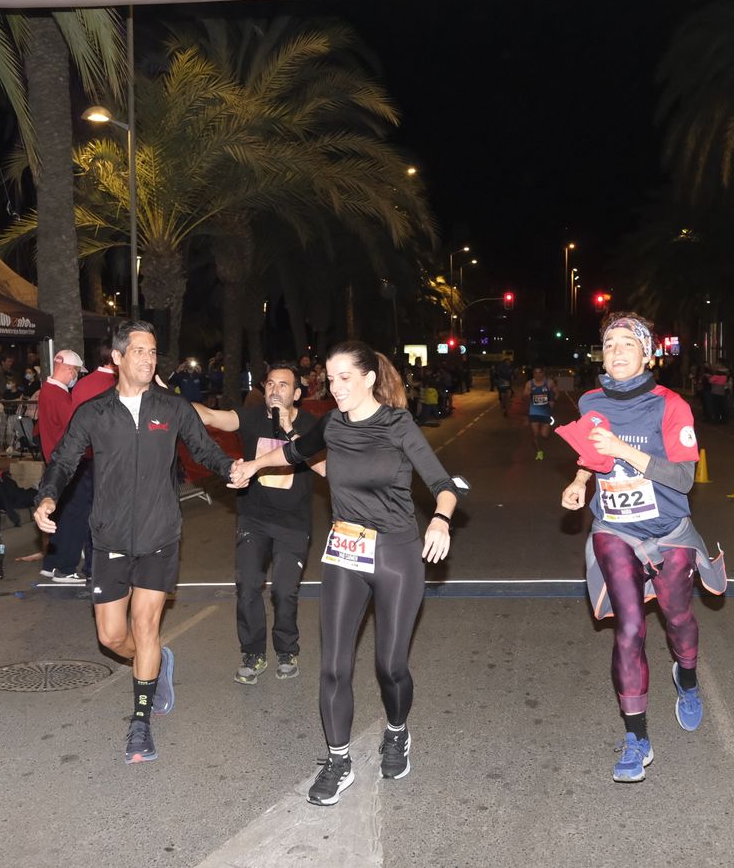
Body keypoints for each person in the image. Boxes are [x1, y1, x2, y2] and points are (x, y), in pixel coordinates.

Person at [230, 341, 465, 807]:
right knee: (334, 666)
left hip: (396, 552)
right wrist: (254, 465)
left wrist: (440, 519)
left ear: (369, 379)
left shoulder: (399, 424)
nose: (334, 387)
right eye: (330, 378)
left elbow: (443, 484)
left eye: (344, 378)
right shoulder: (333, 424)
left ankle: (397, 731)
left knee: (390, 665)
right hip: (345, 552)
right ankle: (338, 760)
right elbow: (294, 452)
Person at [35, 321, 242, 765]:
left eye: (152, 352)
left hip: (159, 534)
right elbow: (64, 460)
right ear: (117, 358)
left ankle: (140, 722)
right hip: (109, 536)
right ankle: (157, 660)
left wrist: (231, 469)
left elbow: (204, 449)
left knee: (145, 626)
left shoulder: (171, 407)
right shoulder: (93, 412)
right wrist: (47, 497)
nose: (149, 359)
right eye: (140, 352)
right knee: (112, 636)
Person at [559, 312, 724, 784]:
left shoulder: (671, 405)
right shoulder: (591, 400)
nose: (616, 352)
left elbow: (684, 478)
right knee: (629, 628)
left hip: (669, 532)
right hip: (615, 530)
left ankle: (686, 679)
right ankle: (637, 739)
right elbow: (592, 455)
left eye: (627, 344)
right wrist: (579, 481)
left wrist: (624, 450)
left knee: (677, 617)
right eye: (609, 344)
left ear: (648, 355)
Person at [192, 363, 320, 685]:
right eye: (271, 384)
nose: (275, 390)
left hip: (293, 523)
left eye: (283, 385)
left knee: (284, 591)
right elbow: (210, 416)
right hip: (255, 518)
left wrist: (290, 429)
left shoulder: (310, 425)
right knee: (248, 584)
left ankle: (287, 650)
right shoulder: (251, 417)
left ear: (297, 394)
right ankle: (253, 653)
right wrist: (168, 400)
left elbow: (324, 465)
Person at [35, 350, 86, 582]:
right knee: (74, 516)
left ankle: (51, 563)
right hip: (66, 463)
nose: (76, 377)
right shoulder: (59, 395)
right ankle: (66, 568)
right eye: (76, 372)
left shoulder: (46, 390)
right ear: (68, 369)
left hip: (53, 462)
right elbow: (76, 429)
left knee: (60, 514)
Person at [526, 366, 558, 460]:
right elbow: (525, 395)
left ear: (543, 373)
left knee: (544, 435)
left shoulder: (549, 383)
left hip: (546, 412)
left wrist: (553, 400)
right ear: (533, 374)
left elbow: (557, 392)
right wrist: (527, 396)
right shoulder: (529, 383)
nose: (538, 375)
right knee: (535, 434)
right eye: (535, 372)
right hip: (534, 412)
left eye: (539, 372)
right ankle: (539, 452)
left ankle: (546, 433)